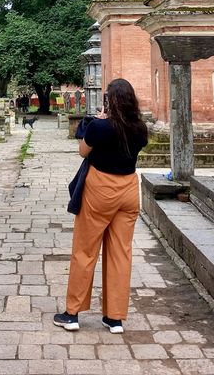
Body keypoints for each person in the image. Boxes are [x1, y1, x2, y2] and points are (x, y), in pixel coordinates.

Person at [54, 78, 149, 334]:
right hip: (129, 189)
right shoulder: (140, 128)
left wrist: (97, 122)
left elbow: (83, 152)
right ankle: (114, 318)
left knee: (85, 251)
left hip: (100, 189)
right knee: (121, 254)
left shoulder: (99, 127)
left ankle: (72, 314)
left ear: (110, 100)